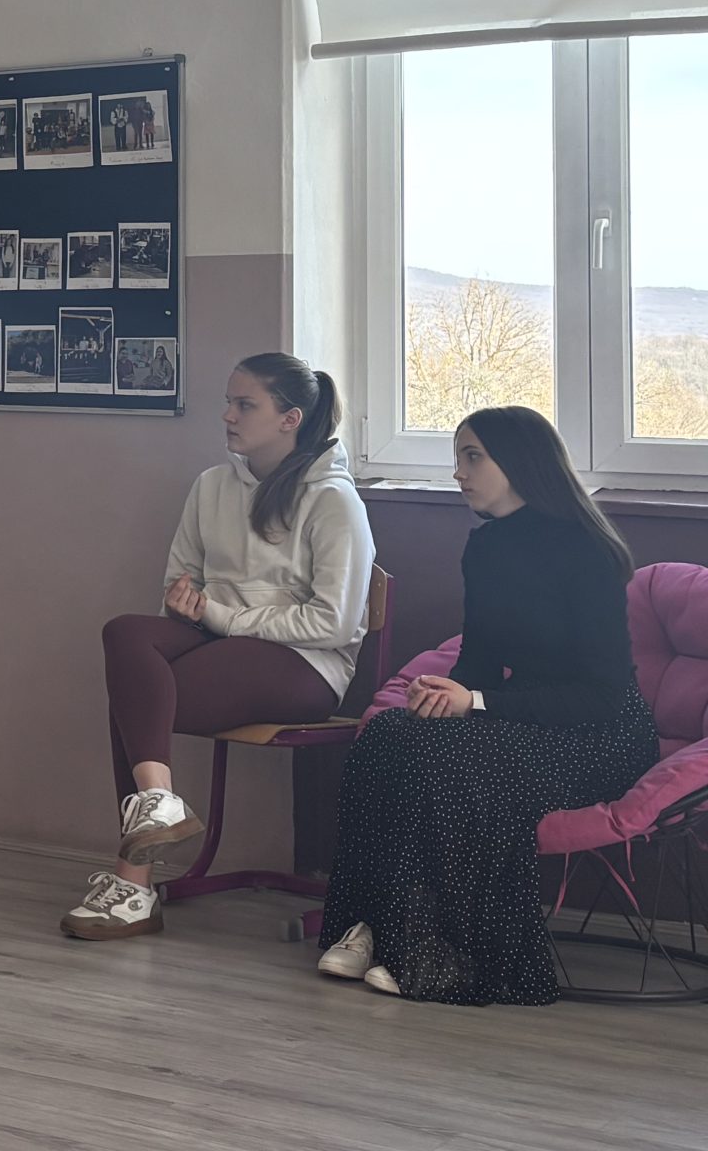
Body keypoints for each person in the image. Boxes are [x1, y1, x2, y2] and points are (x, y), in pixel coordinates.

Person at [315, 407, 653, 1003]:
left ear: (520, 463)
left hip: (598, 733)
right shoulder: (486, 548)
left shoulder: (586, 551)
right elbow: (477, 661)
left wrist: (474, 701)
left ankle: (445, 953)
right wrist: (441, 695)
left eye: (473, 457)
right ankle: (378, 926)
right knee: (389, 735)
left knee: (458, 764)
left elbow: (599, 694)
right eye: (458, 457)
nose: (458, 472)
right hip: (520, 715)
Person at [63, 353, 374, 939]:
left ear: (290, 418)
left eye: (244, 405)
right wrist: (185, 604)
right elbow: (180, 581)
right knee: (124, 633)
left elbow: (333, 624)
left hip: (305, 665)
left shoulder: (334, 500)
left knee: (136, 702)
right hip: (215, 638)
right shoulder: (211, 486)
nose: (228, 415)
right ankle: (158, 801)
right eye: (228, 402)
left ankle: (133, 885)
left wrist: (222, 616)